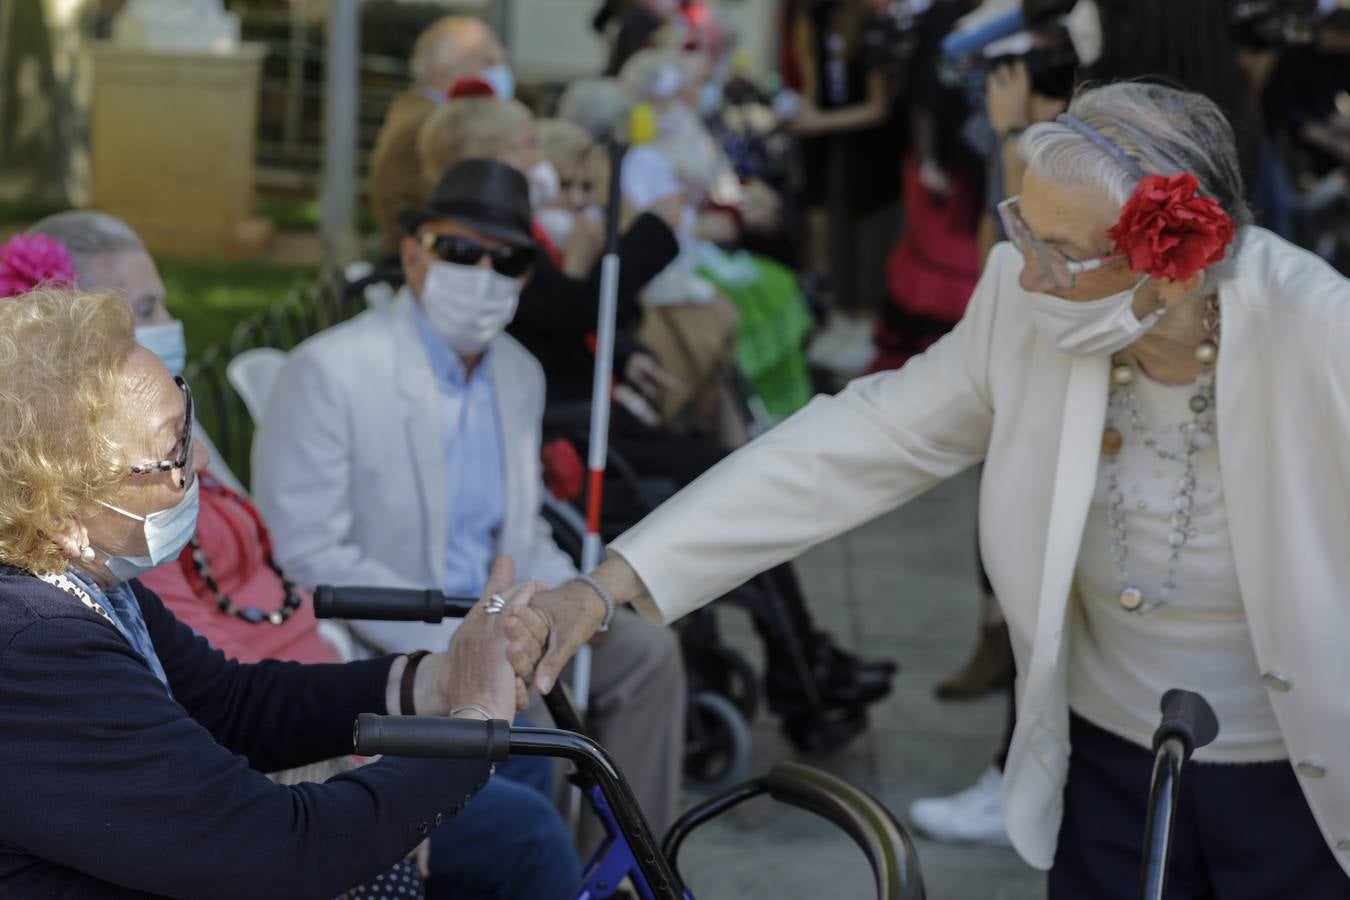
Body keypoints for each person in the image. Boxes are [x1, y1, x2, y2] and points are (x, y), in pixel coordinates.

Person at [523, 82, 1350, 897]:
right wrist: (610, 584)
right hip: (1110, 762)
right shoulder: (1019, 302)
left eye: (1057, 254)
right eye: (1021, 227)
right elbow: (854, 444)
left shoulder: (1321, 333)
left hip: (1299, 776)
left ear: (1171, 270)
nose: (1026, 275)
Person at [19, 212, 583, 899]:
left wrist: (437, 679)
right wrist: (469, 731)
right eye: (171, 448)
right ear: (64, 489)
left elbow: (231, 703)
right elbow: (277, 848)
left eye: (187, 419)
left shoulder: (87, 579)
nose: (197, 457)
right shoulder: (35, 642)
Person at [253, 160, 687, 848]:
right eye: (461, 250)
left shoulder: (520, 372)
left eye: (508, 258)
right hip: (395, 633)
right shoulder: (330, 371)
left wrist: (568, 600)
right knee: (532, 717)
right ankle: (550, 869)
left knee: (648, 655)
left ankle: (626, 871)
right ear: (412, 256)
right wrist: (461, 642)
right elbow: (303, 552)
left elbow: (519, 527)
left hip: (505, 615)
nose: (483, 274)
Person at [369, 15, 513, 257]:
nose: (500, 72)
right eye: (487, 61)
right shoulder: (427, 125)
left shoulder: (420, 114)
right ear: (446, 71)